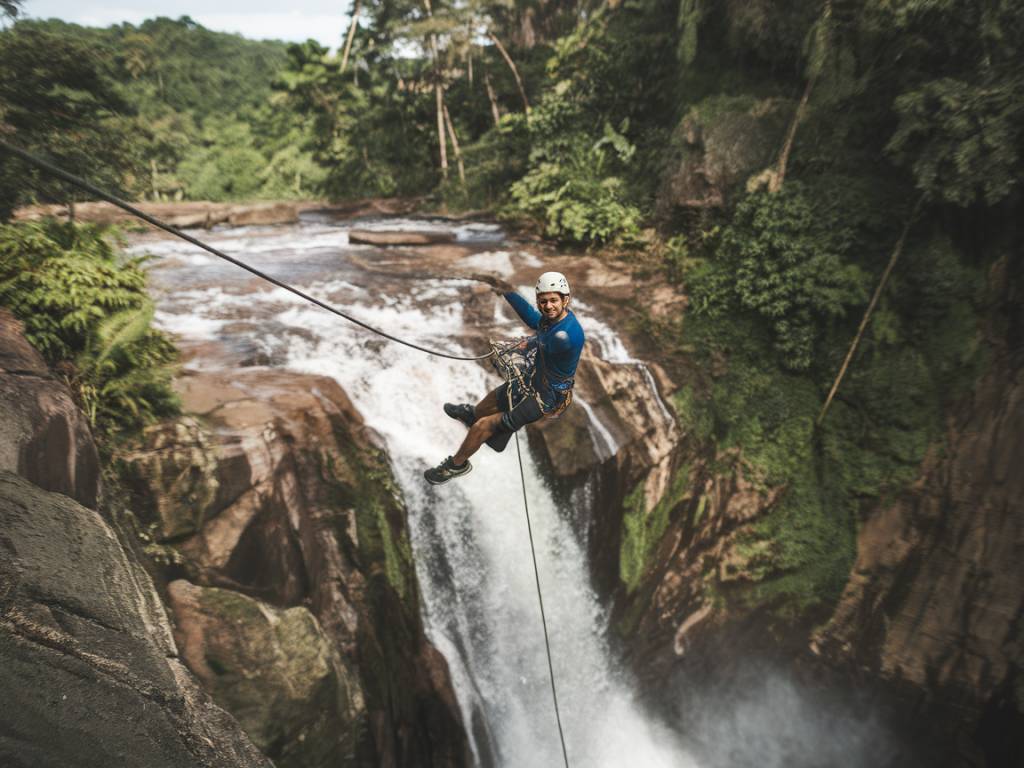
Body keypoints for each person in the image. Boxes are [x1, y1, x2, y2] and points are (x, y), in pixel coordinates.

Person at [424, 271, 586, 485]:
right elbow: (533, 319)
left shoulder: (566, 334)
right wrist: (506, 291)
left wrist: (518, 346)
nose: (548, 306)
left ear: (566, 300)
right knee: (485, 406)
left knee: (483, 425)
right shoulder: (551, 321)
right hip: (531, 381)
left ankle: (456, 465)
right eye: (543, 301)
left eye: (553, 300)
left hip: (544, 398)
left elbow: (541, 342)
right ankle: (472, 416)